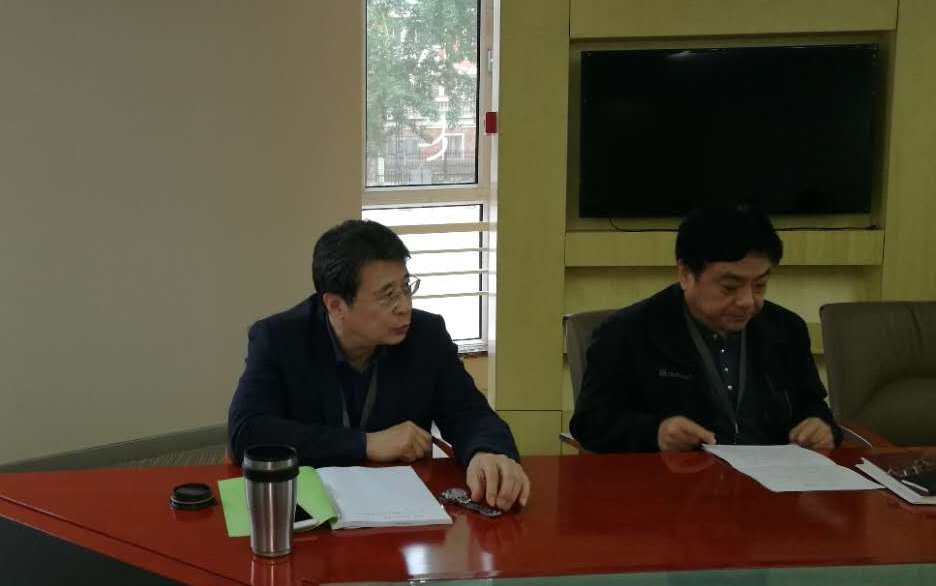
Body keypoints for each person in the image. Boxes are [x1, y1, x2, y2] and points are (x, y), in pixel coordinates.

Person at [228, 220, 529, 510]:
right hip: (309, 510)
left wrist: (487, 451)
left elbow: (470, 413)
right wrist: (365, 444)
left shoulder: (426, 336)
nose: (405, 307)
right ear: (336, 305)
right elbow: (246, 432)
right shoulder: (279, 339)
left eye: (406, 288)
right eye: (388, 296)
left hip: (402, 511)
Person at [570, 204, 840, 454]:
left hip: (773, 481)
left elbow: (812, 406)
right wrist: (655, 433)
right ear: (686, 275)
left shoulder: (786, 329)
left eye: (759, 285)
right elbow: (590, 423)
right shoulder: (627, 333)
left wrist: (821, 428)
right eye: (730, 287)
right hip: (675, 481)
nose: (747, 301)